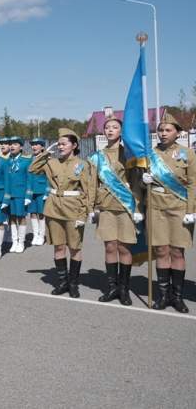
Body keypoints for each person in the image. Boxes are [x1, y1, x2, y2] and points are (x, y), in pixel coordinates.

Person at [29, 128, 94, 298]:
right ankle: (62, 283)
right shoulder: (52, 162)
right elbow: (32, 169)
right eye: (58, 144)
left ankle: (73, 284)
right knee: (59, 246)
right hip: (54, 208)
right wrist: (44, 153)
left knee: (75, 248)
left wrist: (84, 214)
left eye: (64, 144)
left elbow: (88, 190)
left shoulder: (82, 164)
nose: (60, 147)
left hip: (73, 209)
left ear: (74, 145)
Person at [87, 117, 143, 306]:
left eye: (115, 127)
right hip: (106, 206)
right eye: (107, 127)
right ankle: (112, 287)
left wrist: (137, 204)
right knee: (110, 246)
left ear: (121, 131)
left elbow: (136, 181)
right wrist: (92, 207)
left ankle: (124, 289)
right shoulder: (97, 156)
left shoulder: (129, 153)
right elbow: (92, 184)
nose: (110, 130)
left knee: (124, 248)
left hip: (125, 206)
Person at [142, 113, 194, 313]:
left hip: (179, 207)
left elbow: (193, 183)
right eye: (160, 130)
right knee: (161, 250)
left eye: (168, 130)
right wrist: (142, 179)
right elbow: (139, 183)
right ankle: (163, 296)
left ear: (178, 133)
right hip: (156, 206)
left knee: (177, 251)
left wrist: (192, 210)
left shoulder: (187, 154)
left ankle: (177, 297)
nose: (163, 134)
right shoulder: (149, 154)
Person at [4, 136, 32, 253]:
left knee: (20, 217)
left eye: (15, 144)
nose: (12, 146)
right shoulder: (7, 160)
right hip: (9, 194)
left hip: (20, 193)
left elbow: (30, 179)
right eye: (11, 144)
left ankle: (21, 242)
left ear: (20, 147)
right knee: (11, 217)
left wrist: (28, 195)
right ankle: (14, 241)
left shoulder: (26, 160)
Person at [28, 138, 49, 245]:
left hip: (41, 190)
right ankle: (35, 235)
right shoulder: (30, 158)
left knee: (41, 214)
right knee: (32, 213)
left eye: (37, 144)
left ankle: (41, 236)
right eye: (33, 145)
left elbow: (50, 177)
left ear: (42, 147)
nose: (34, 147)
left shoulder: (46, 159)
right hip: (30, 191)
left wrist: (47, 191)